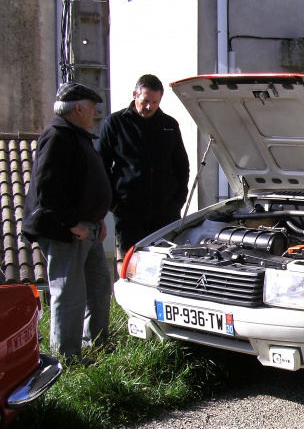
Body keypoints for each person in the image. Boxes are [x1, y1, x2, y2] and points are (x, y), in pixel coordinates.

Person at [22, 82, 112, 364]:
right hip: (68, 233)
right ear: (79, 107)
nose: (95, 113)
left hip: (90, 229)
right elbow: (47, 188)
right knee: (70, 295)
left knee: (98, 290)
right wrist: (74, 223)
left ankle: (95, 346)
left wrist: (97, 218)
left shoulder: (79, 136)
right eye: (92, 107)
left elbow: (82, 183)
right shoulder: (58, 136)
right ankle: (66, 359)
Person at [98, 74, 190, 255]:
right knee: (133, 263)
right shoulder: (115, 123)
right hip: (129, 213)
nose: (150, 107)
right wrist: (114, 204)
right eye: (146, 101)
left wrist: (178, 201)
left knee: (168, 263)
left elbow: (181, 165)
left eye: (155, 102)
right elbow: (101, 166)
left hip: (166, 213)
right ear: (135, 95)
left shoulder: (169, 125)